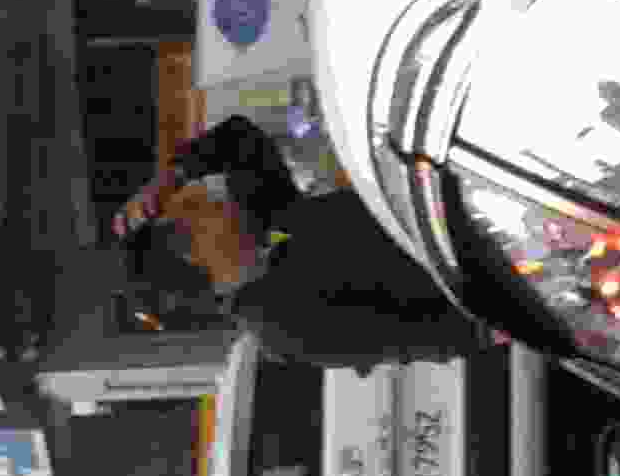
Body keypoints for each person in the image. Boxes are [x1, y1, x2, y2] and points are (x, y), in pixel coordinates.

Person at [113, 111, 490, 366]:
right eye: (192, 217)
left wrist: (174, 175)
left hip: (468, 206)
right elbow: (423, 336)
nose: (212, 203)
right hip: (490, 273)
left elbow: (239, 138)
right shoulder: (280, 323)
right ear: (192, 251)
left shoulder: (266, 216)